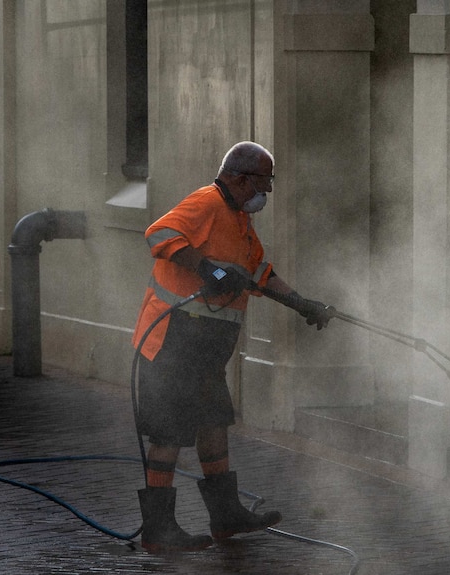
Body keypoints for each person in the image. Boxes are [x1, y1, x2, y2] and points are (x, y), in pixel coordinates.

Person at [131, 141, 336, 552]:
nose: (269, 191)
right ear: (240, 178)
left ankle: (226, 516)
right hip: (172, 338)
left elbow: (259, 271)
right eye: (265, 181)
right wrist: (205, 267)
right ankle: (158, 530)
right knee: (169, 431)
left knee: (213, 421)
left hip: (205, 350)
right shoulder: (206, 203)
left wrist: (302, 304)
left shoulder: (239, 219)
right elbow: (160, 233)